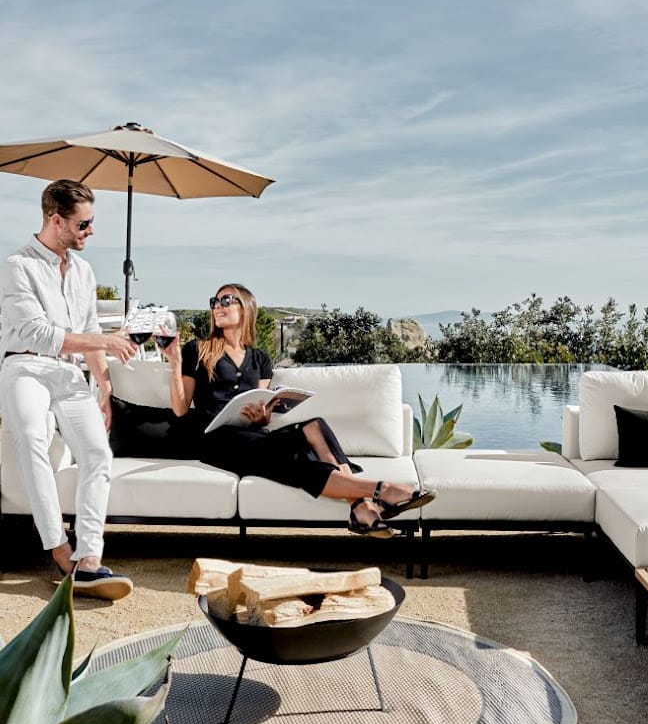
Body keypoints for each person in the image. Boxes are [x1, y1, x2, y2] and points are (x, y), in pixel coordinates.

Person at [161, 283, 434, 537]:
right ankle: (379, 492)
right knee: (301, 458)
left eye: (226, 300)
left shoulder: (260, 359)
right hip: (215, 440)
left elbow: (263, 406)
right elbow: (180, 409)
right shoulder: (198, 349)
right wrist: (174, 363)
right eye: (215, 302)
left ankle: (361, 509)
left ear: (246, 308)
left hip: (252, 436)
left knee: (314, 425)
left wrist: (263, 416)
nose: (217, 306)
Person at [0, 179, 139, 600]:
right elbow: (38, 333)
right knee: (31, 438)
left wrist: (104, 386)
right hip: (24, 365)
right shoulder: (17, 265)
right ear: (55, 219)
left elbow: (90, 329)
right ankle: (59, 549)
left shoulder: (83, 270)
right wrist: (105, 344)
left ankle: (90, 558)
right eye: (84, 224)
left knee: (98, 453)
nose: (90, 232)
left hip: (69, 373)